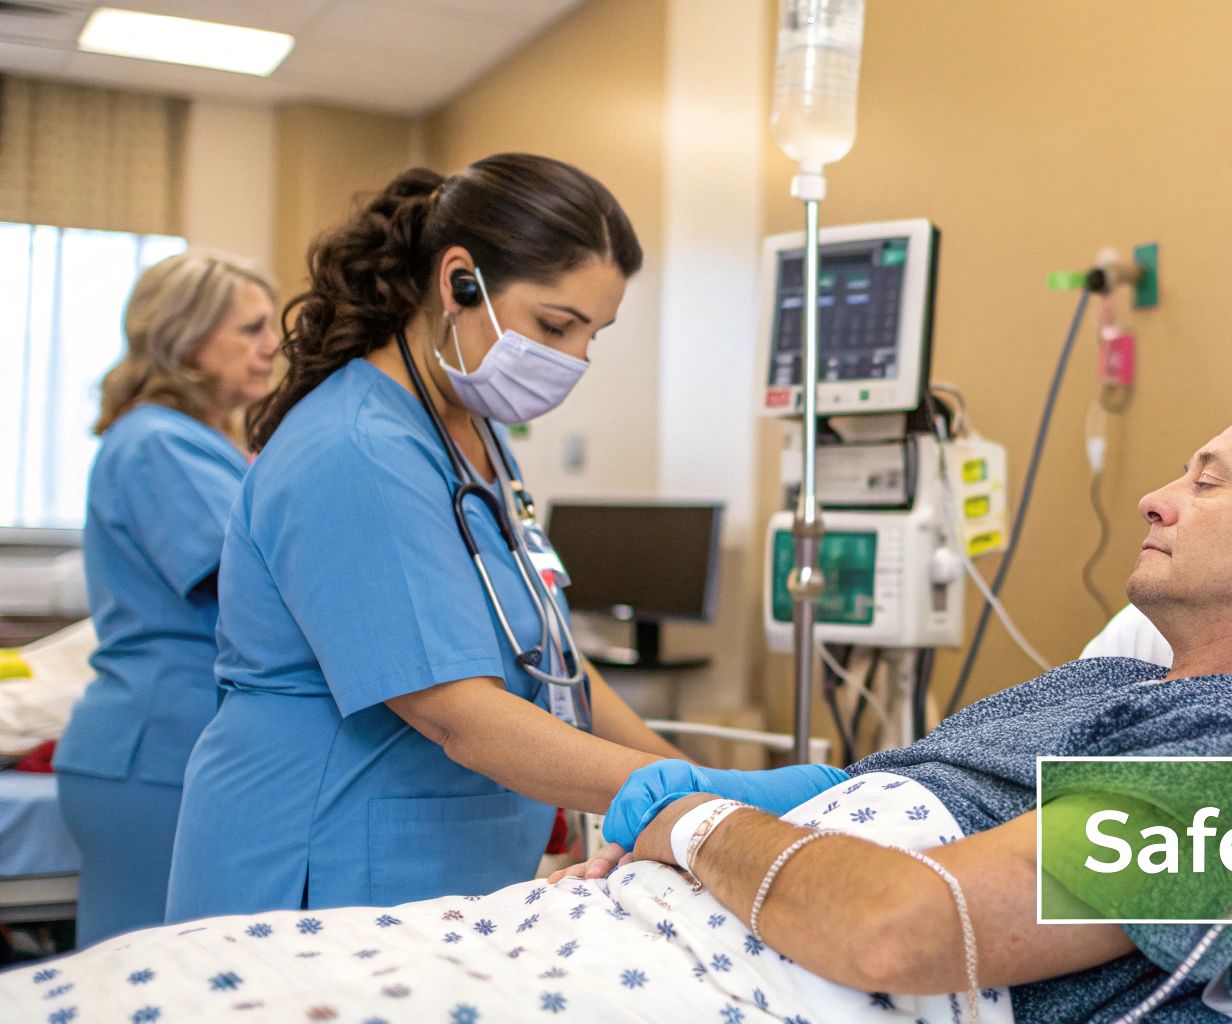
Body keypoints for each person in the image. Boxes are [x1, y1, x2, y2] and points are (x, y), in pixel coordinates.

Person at [568, 390, 1232, 1020]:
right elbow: (888, 793)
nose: (1155, 500)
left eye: (1206, 482)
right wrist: (787, 801)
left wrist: (697, 824)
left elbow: (904, 929)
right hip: (643, 931)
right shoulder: (1104, 684)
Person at [165, 154, 841, 922]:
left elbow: (555, 663)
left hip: (434, 859)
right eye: (556, 324)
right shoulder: (355, 450)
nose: (574, 357)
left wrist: (685, 775)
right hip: (320, 864)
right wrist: (704, 796)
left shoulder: (469, 433)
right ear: (458, 279)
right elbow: (462, 714)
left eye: (593, 333)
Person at [54, 251, 279, 945]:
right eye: (251, 329)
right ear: (187, 340)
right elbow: (256, 584)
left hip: (171, 742)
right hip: (155, 749)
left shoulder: (207, 444)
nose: (273, 345)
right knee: (143, 975)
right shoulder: (158, 443)